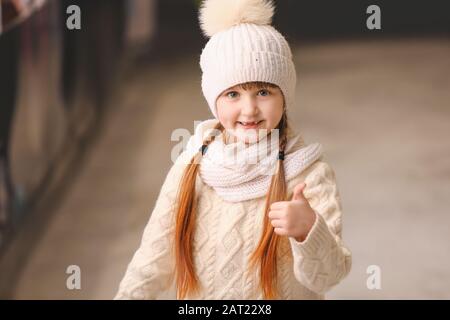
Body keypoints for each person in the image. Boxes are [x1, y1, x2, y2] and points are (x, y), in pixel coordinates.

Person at [114, 0, 351, 300]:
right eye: (233, 94)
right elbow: (151, 262)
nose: (249, 109)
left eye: (263, 92)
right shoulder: (192, 167)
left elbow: (328, 277)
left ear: (285, 96)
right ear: (214, 100)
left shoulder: (308, 174)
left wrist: (308, 229)